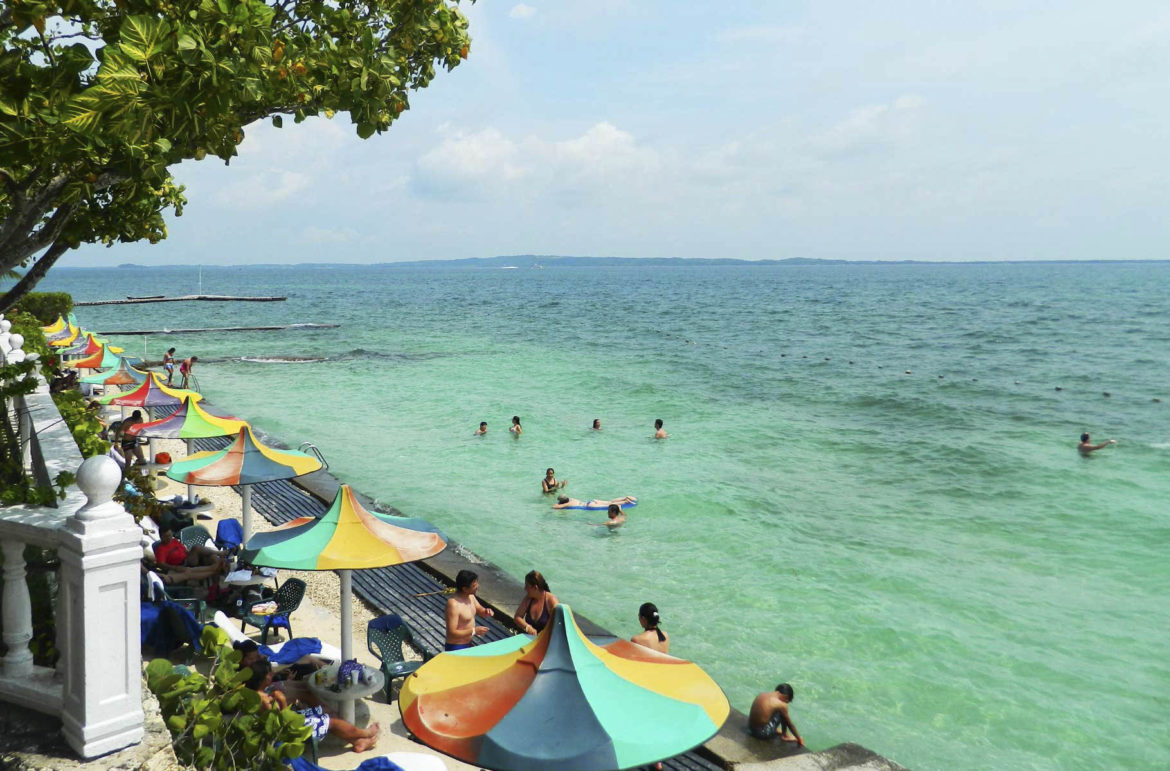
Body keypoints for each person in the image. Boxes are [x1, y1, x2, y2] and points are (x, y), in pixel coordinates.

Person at [247, 660, 380, 753]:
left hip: (289, 719)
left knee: (324, 714)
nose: (272, 675)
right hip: (287, 728)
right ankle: (364, 733)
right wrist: (281, 700)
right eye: (269, 674)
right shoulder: (263, 700)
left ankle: (357, 742)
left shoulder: (259, 692)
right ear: (264, 678)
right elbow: (279, 722)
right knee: (332, 722)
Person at [445, 569, 494, 651]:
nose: (477, 586)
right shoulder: (453, 604)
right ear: (465, 589)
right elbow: (452, 633)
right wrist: (474, 631)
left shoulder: (470, 596)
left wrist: (486, 611)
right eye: (474, 585)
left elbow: (480, 611)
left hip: (468, 643)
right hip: (456, 646)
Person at [513, 570, 559, 635]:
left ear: (535, 587)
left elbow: (558, 625)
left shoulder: (551, 601)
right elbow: (517, 617)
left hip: (546, 641)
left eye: (527, 586)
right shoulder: (528, 599)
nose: (525, 589)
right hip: (530, 639)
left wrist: (543, 634)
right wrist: (527, 627)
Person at [553, 495, 636, 510]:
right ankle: (625, 499)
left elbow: (555, 507)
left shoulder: (567, 504)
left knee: (610, 505)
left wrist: (559, 504)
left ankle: (625, 503)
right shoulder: (572, 499)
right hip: (592, 501)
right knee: (609, 501)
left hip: (589, 505)